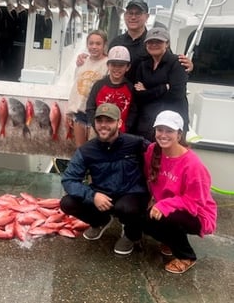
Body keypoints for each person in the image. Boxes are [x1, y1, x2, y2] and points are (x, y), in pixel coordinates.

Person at [60, 103, 149, 255]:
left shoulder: (136, 143)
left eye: (109, 121)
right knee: (67, 203)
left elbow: (160, 157)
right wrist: (92, 195)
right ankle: (100, 221)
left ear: (119, 123)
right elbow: (68, 180)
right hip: (103, 196)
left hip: (131, 194)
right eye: (99, 121)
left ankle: (131, 234)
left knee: (127, 208)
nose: (103, 125)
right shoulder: (86, 150)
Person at [143, 110, 217, 274]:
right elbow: (149, 178)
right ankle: (170, 240)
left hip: (198, 213)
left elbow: (196, 200)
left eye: (169, 131)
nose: (163, 135)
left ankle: (186, 256)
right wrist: (153, 200)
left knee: (168, 217)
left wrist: (164, 205)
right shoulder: (152, 151)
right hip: (166, 205)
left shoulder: (192, 164)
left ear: (179, 134)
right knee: (144, 220)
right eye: (159, 129)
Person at [77, 0, 193, 82]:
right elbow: (102, 60)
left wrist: (188, 67)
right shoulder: (116, 42)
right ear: (125, 16)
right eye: (130, 13)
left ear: (147, 17)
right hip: (120, 97)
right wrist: (84, 58)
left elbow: (170, 65)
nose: (133, 17)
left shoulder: (155, 43)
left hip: (145, 98)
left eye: (138, 13)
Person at [133, 27, 189, 141]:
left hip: (171, 124)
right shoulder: (143, 65)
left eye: (158, 41)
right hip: (147, 123)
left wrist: (147, 91)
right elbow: (138, 96)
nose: (154, 45)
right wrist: (163, 88)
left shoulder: (177, 63)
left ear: (167, 43)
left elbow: (176, 94)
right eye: (150, 42)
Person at [67, 30, 108, 147]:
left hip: (96, 113)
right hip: (79, 112)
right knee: (80, 147)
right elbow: (75, 88)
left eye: (98, 44)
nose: (94, 47)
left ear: (104, 45)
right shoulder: (82, 61)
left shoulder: (108, 64)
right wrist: (70, 111)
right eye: (91, 43)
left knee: (94, 147)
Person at [85, 46, 137, 134]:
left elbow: (133, 112)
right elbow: (90, 108)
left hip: (121, 133)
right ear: (108, 65)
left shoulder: (130, 88)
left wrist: (125, 128)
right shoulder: (98, 85)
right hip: (99, 131)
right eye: (113, 64)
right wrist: (97, 127)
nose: (117, 68)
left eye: (121, 65)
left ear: (128, 67)